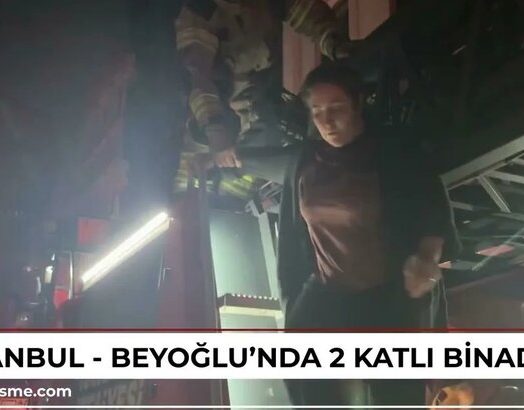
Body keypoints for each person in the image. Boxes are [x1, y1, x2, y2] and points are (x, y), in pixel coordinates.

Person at [226, 63, 460, 406]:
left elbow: (432, 212)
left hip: (384, 295)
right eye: (317, 111)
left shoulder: (395, 154)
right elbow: (262, 170)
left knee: (394, 395)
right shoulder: (304, 162)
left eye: (336, 108)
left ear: (358, 104)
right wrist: (225, 157)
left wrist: (426, 257)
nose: (327, 121)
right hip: (328, 292)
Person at [175, 0, 352, 169]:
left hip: (268, 102)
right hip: (227, 123)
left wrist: (335, 44)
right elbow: (197, 77)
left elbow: (305, 11)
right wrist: (216, 131)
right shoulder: (200, 10)